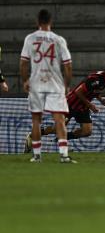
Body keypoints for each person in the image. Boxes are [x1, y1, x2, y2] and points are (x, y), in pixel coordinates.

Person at [24, 65, 105, 150]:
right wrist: (90, 105)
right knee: (56, 129)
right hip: (71, 104)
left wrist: (101, 100)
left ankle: (63, 138)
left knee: (87, 131)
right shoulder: (98, 79)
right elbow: (78, 92)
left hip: (82, 107)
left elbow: (93, 91)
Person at [20, 9, 75, 163]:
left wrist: (25, 81)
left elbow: (23, 63)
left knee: (36, 120)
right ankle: (64, 155)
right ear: (51, 22)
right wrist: (66, 85)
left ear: (37, 22)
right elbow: (68, 66)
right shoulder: (58, 40)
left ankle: (37, 156)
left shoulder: (30, 39)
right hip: (55, 84)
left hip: (36, 84)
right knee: (59, 119)